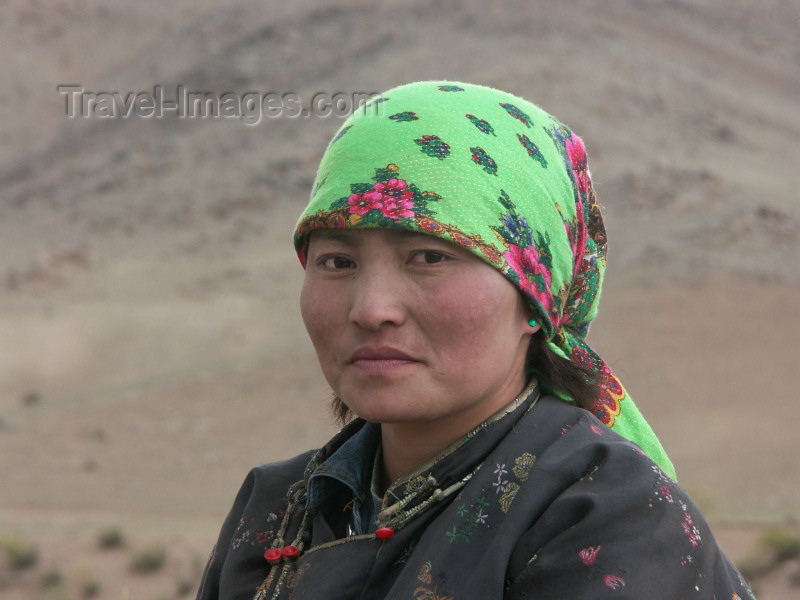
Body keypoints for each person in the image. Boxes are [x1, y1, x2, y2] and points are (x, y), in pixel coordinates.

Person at [196, 81, 754, 599]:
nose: (370, 310)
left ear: (533, 299)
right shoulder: (277, 507)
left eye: (430, 257)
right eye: (337, 261)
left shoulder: (608, 512)